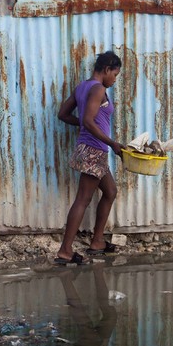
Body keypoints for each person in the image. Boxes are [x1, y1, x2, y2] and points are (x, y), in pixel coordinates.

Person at [55, 51, 124, 265]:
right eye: (115, 74)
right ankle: (65, 251)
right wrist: (112, 143)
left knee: (110, 191)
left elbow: (63, 115)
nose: (115, 79)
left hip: (91, 148)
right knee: (83, 199)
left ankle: (97, 242)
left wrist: (84, 127)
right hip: (94, 149)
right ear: (107, 69)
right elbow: (88, 120)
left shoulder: (82, 87)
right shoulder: (98, 89)